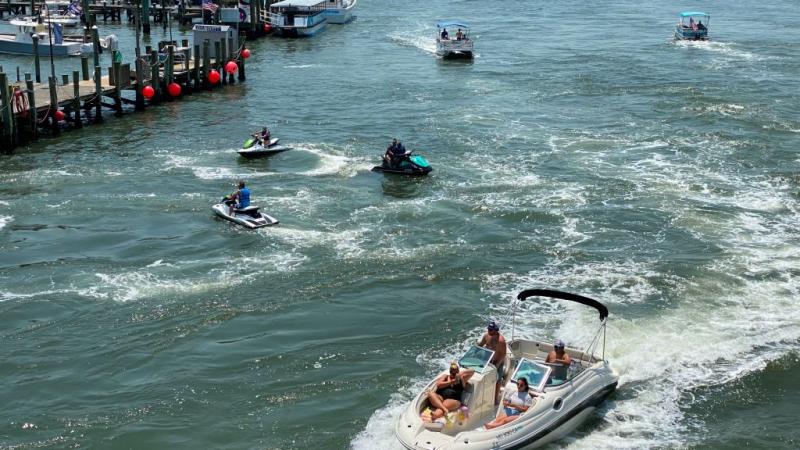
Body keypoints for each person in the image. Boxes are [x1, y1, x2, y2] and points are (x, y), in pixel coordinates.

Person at [478, 321, 507, 405]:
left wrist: (497, 365)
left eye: (491, 330)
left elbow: (503, 354)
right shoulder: (486, 336)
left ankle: (495, 398)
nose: (489, 331)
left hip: (497, 362)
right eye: (488, 329)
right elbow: (480, 345)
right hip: (487, 360)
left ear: (495, 330)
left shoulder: (501, 341)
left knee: (498, 379)